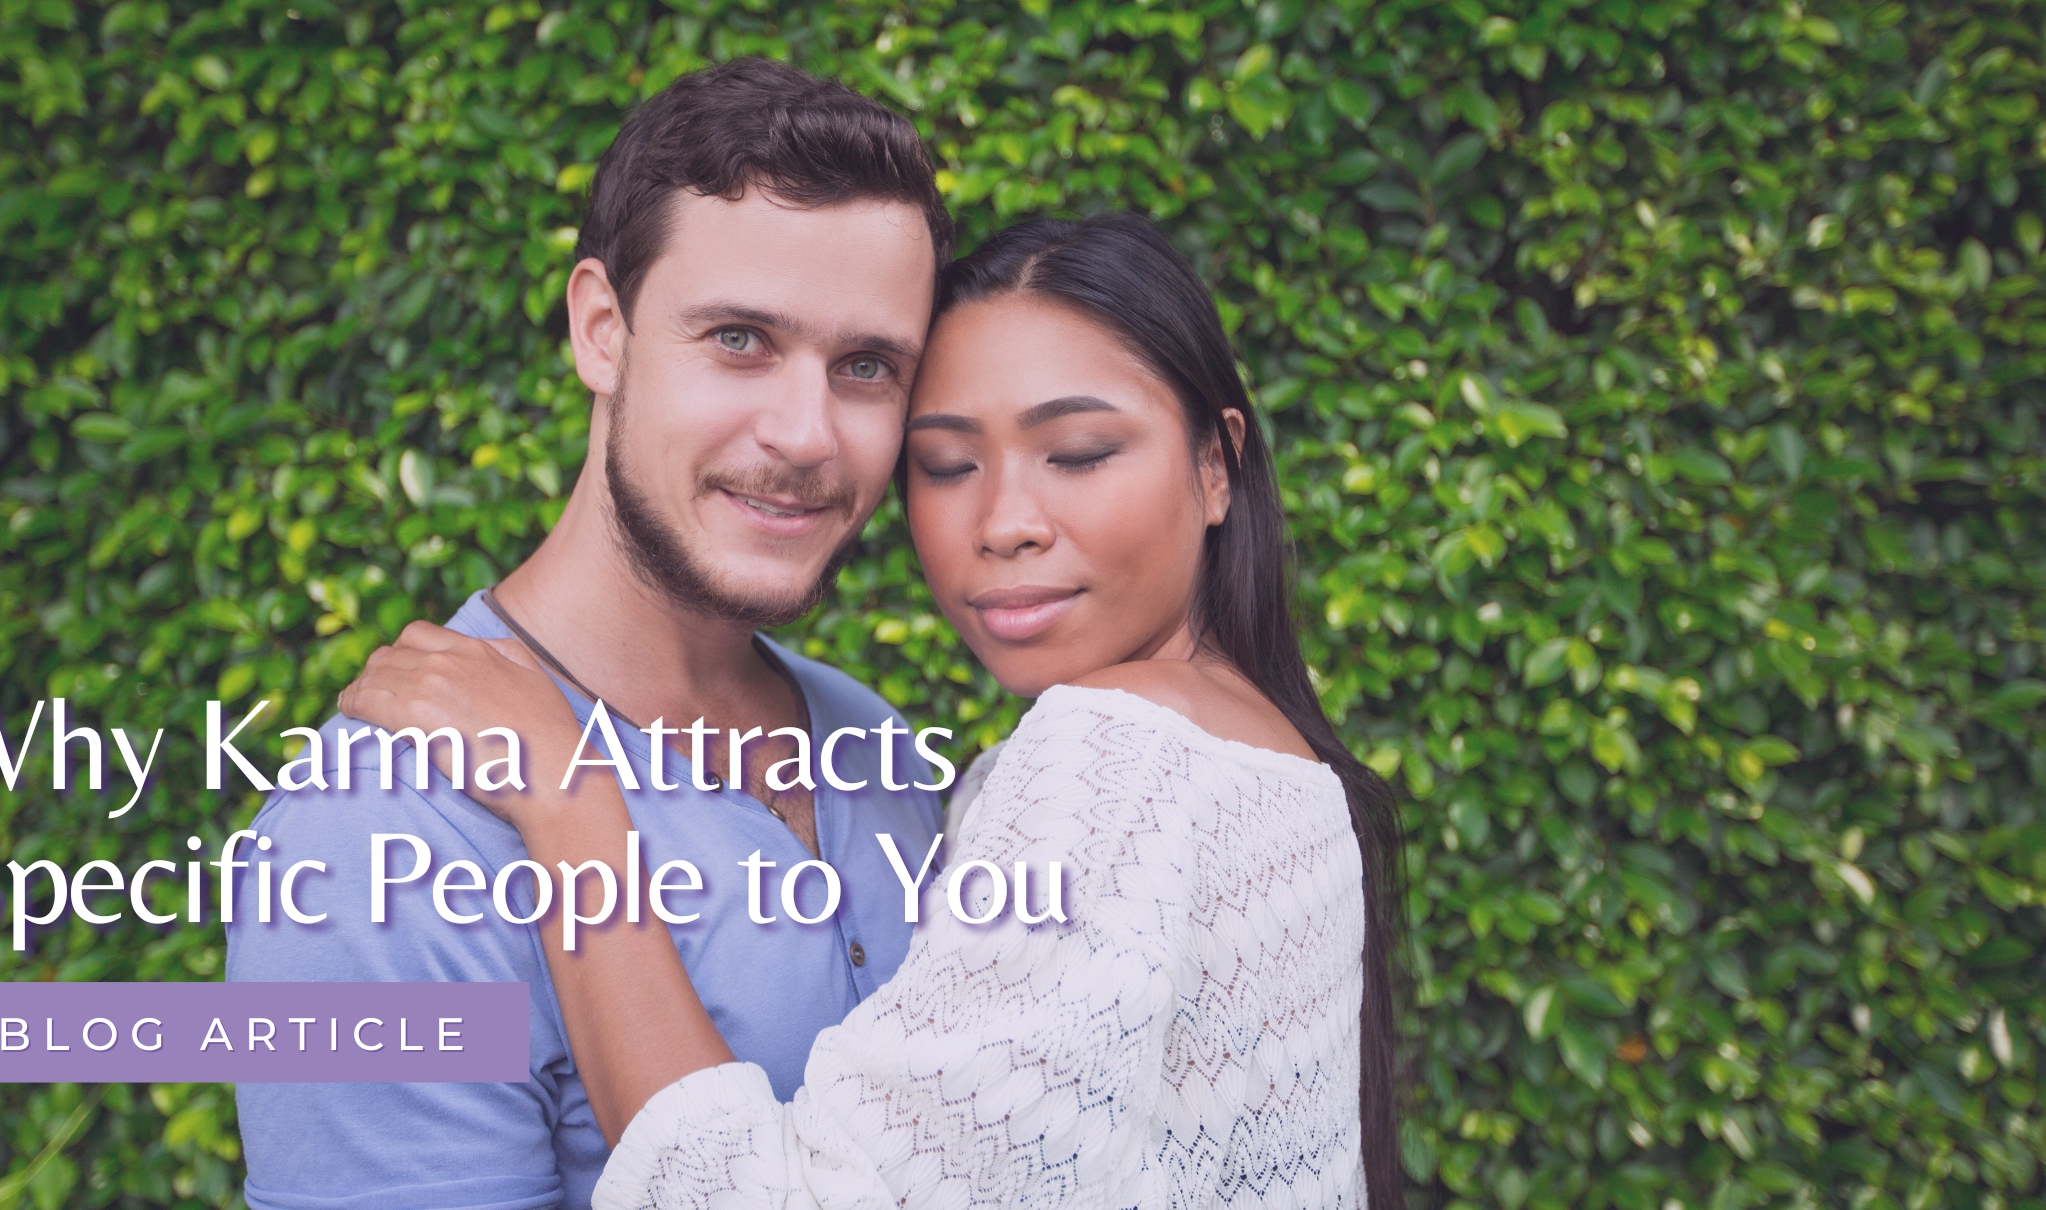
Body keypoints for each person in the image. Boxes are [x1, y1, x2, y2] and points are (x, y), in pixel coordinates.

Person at [342, 214, 1405, 1207]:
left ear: (1216, 464)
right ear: (599, 331)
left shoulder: (1112, 754)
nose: (1003, 523)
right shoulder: (1256, 759)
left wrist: (572, 809)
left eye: (1077, 453)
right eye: (944, 466)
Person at [226, 58, 957, 1210]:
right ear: (600, 330)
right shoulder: (371, 844)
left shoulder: (872, 743)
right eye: (738, 340)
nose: (806, 433)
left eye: (866, 366)